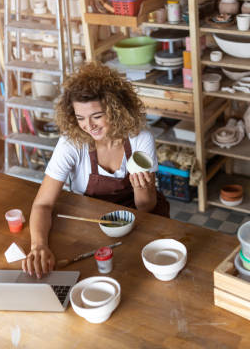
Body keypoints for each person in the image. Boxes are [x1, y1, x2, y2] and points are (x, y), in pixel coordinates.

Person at [22, 63, 169, 277]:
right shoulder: (72, 144)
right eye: (80, 118)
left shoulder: (140, 140)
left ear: (116, 110)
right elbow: (43, 204)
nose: (88, 126)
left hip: (139, 219)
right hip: (91, 223)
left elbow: (146, 206)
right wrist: (38, 246)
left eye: (96, 116)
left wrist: (143, 187)